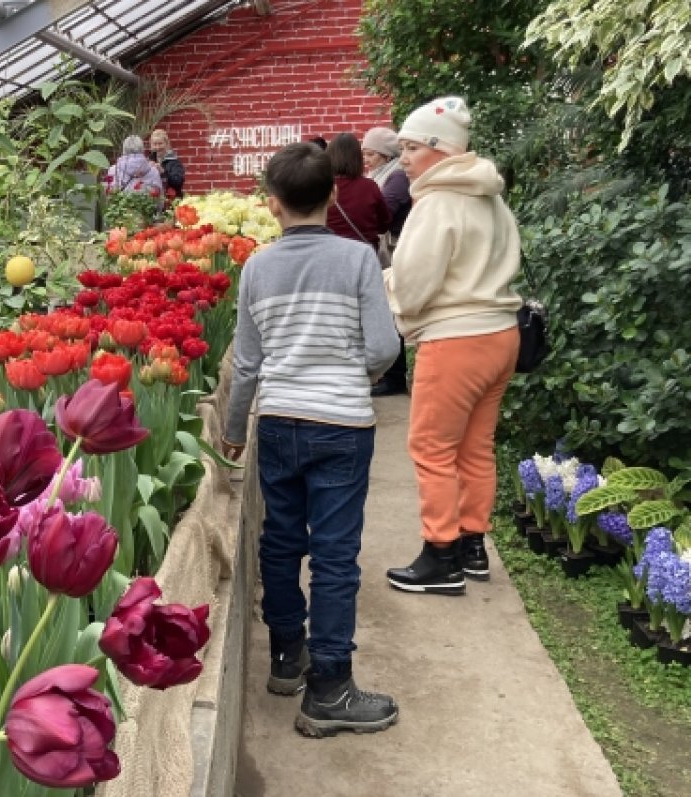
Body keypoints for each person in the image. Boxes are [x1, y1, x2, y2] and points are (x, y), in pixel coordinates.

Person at [221, 142, 400, 737]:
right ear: (332, 194)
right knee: (333, 557)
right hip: (342, 427)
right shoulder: (356, 261)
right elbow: (382, 348)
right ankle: (329, 689)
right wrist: (353, 375)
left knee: (280, 543)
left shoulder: (256, 267)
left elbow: (246, 363)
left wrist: (232, 431)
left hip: (276, 423)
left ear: (272, 204)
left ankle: (284, 657)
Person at [383, 97, 523, 596]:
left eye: (412, 147)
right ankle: (471, 546)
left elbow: (415, 283)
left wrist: (392, 292)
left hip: (456, 337)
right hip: (501, 332)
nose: (403, 157)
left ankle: (440, 557)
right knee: (475, 447)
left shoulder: (438, 200)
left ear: (440, 150)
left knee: (431, 447)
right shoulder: (490, 197)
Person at [362, 126, 412, 396]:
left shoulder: (396, 178)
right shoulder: (380, 175)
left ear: (385, 154)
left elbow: (386, 210)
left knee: (393, 311)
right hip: (388, 249)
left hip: (396, 251)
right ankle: (390, 375)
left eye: (371, 154)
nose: (366, 160)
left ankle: (394, 377)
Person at [325, 133, 390, 250]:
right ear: (358, 157)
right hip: (364, 252)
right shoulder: (369, 187)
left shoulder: (321, 187)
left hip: (330, 251)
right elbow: (383, 225)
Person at [105, 135, 164, 200]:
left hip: (119, 209)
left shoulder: (113, 170)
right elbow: (159, 200)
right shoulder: (153, 171)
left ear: (124, 149)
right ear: (142, 149)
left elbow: (109, 197)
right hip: (146, 209)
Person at [148, 128, 186, 199]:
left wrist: (163, 172)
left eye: (160, 144)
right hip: (152, 202)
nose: (157, 147)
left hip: (171, 202)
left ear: (167, 144)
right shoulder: (149, 161)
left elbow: (178, 182)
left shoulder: (174, 162)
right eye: (155, 144)